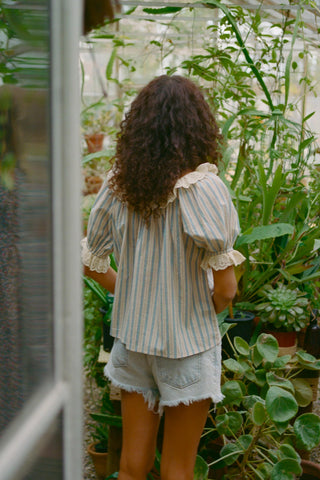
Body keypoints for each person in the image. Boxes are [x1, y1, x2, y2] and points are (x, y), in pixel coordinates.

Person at [82, 75, 245, 480]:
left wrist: (132, 296)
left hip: (132, 343)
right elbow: (226, 290)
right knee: (177, 468)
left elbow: (91, 262)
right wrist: (196, 312)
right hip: (186, 347)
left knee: (131, 465)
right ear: (197, 127)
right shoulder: (204, 188)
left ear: (138, 128)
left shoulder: (119, 184)